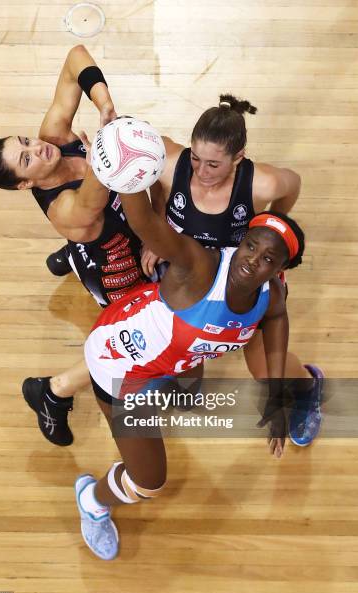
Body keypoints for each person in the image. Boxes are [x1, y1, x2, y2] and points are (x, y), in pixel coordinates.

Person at [26, 190, 305, 560]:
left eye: (268, 258)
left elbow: (276, 317)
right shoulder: (200, 265)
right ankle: (92, 499)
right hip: (120, 369)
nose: (252, 261)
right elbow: (145, 223)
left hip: (171, 352)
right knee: (150, 481)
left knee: (189, 394)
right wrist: (127, 176)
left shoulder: (271, 291)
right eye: (250, 246)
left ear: (280, 269)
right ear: (241, 241)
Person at [0, 45, 158, 446]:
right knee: (139, 339)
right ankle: (52, 392)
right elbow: (114, 171)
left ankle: (70, 255)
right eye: (27, 158)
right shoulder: (66, 211)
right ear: (25, 184)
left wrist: (105, 105)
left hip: (112, 224)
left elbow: (75, 58)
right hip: (115, 260)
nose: (37, 147)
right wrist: (105, 141)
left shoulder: (52, 137)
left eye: (26, 140)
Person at [140, 94, 323, 447]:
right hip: (192, 278)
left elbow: (293, 183)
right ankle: (181, 378)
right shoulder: (167, 161)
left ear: (238, 158)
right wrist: (158, 228)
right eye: (195, 158)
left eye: (213, 164)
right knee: (177, 344)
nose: (200, 172)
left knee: (265, 370)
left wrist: (272, 225)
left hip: (243, 281)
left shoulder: (261, 184)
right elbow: (150, 181)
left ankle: (307, 386)